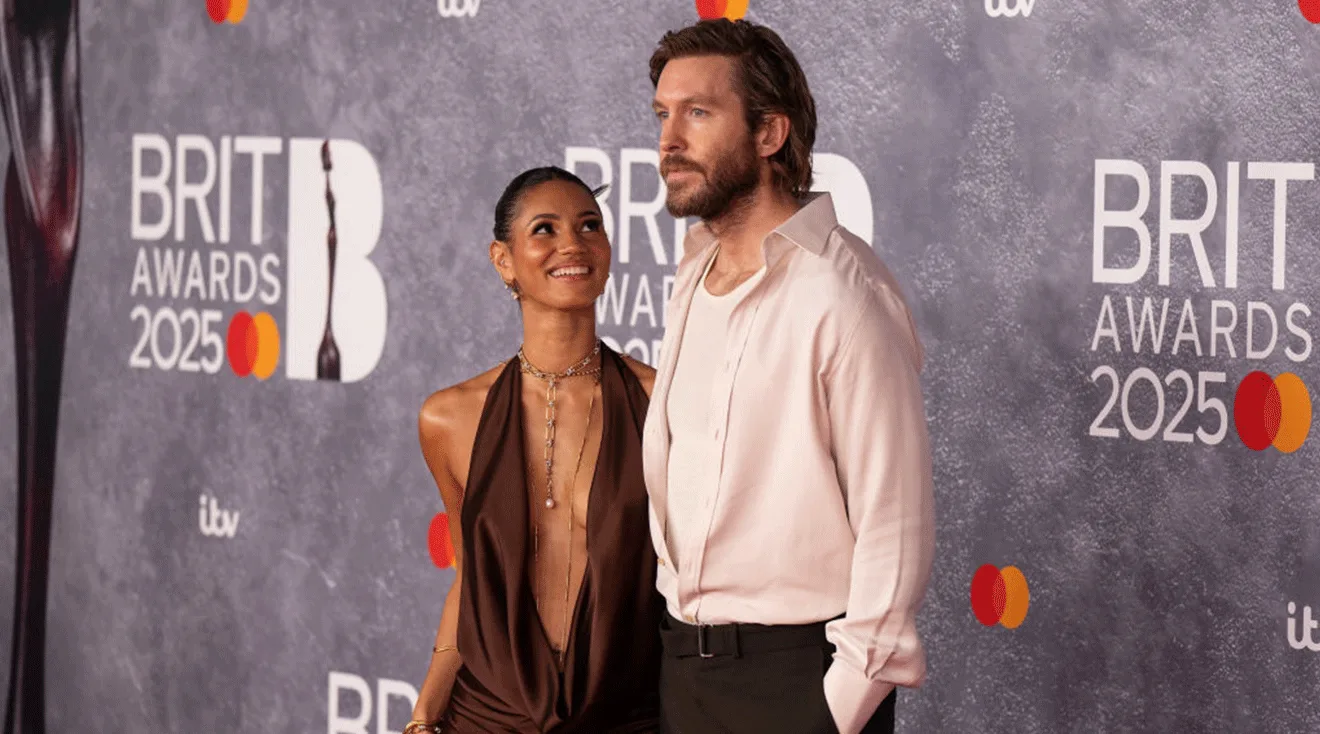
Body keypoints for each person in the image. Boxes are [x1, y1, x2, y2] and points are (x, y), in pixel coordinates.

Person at [642, 19, 937, 734]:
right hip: (684, 674)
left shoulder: (843, 294)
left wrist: (833, 709)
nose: (668, 141)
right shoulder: (693, 271)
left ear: (770, 133)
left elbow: (894, 522)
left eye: (699, 113)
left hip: (797, 684)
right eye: (662, 114)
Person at [405, 167, 663, 734]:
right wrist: (424, 714)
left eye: (589, 225)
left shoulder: (662, 401)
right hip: (485, 718)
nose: (572, 243)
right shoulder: (448, 417)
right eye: (544, 229)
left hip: (625, 719)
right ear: (503, 260)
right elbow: (470, 582)